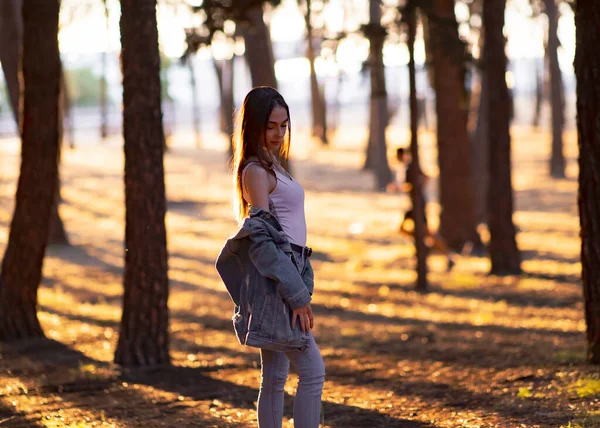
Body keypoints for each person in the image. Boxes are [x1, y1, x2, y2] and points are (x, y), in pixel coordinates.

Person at [216, 87, 325, 428]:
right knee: (312, 372)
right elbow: (261, 241)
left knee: (276, 376)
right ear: (254, 127)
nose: (278, 134)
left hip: (285, 274)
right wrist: (295, 295)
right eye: (270, 126)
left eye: (284, 125)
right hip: (279, 282)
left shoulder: (268, 164)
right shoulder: (255, 172)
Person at [394, 147, 456, 272]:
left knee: (428, 233)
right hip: (414, 205)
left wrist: (402, 189)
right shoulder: (409, 167)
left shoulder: (410, 167)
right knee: (408, 230)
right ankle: (425, 247)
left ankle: (447, 255)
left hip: (418, 205)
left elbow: (422, 180)